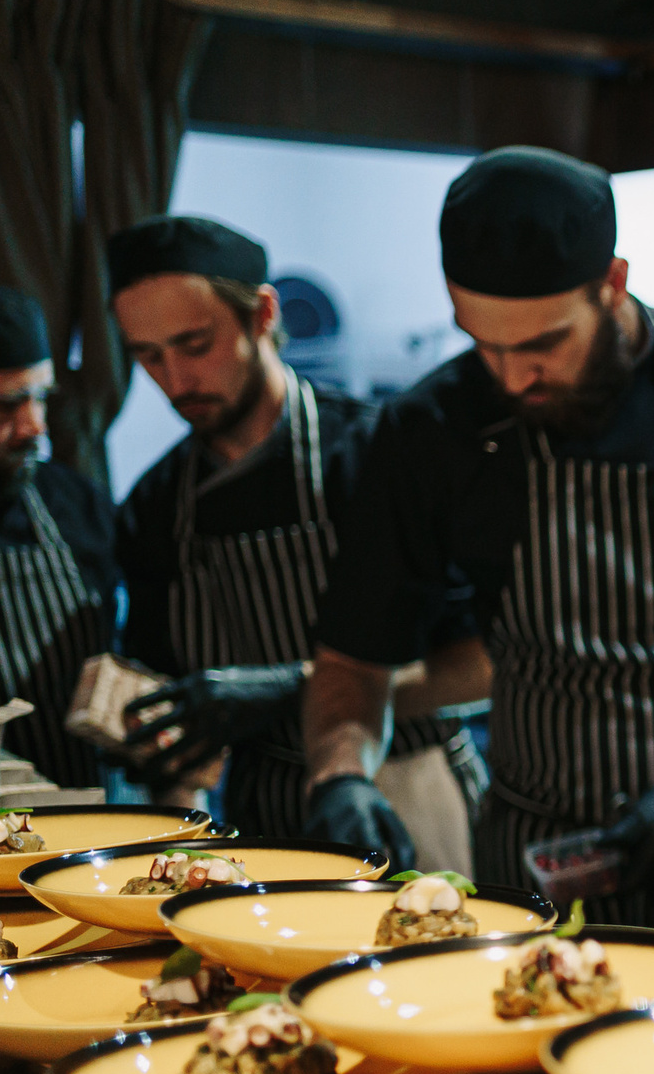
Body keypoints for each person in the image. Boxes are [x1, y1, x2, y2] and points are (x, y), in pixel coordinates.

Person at [302, 146, 654, 914]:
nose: (513, 377)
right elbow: (354, 662)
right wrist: (340, 774)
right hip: (529, 873)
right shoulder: (429, 429)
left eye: (542, 344)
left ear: (612, 284)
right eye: (484, 344)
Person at [107, 216, 488, 857]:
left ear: (262, 313)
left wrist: (294, 686)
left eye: (194, 345)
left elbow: (480, 662)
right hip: (260, 809)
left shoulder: (379, 455)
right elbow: (167, 707)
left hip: (402, 789)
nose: (174, 381)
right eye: (148, 356)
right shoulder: (156, 505)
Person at [0, 276, 115, 791]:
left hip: (97, 831)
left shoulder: (76, 506)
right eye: (6, 404)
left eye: (41, 398)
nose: (35, 427)